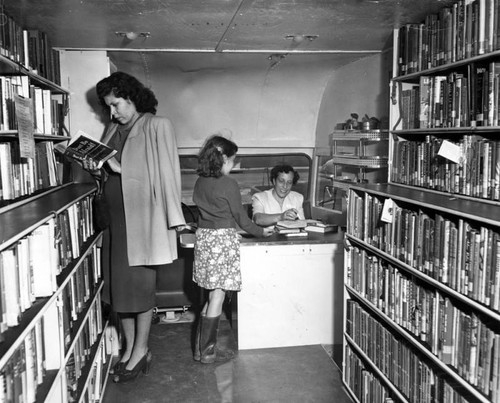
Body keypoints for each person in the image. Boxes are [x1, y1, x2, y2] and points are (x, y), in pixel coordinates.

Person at [82, 72, 186, 383]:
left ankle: (141, 350)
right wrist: (96, 169)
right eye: (107, 107)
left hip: (142, 222)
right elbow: (106, 177)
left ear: (131, 97)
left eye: (115, 104)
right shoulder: (112, 128)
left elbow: (166, 176)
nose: (112, 112)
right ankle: (128, 350)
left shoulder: (157, 125)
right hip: (114, 222)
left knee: (139, 290)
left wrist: (175, 220)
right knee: (118, 292)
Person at [192, 134, 273, 364]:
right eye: (233, 160)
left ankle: (200, 349)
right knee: (218, 295)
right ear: (224, 158)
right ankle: (208, 352)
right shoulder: (228, 184)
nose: (233, 165)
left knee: (211, 293)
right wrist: (261, 231)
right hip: (222, 241)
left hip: (205, 239)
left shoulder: (200, 181)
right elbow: (241, 218)